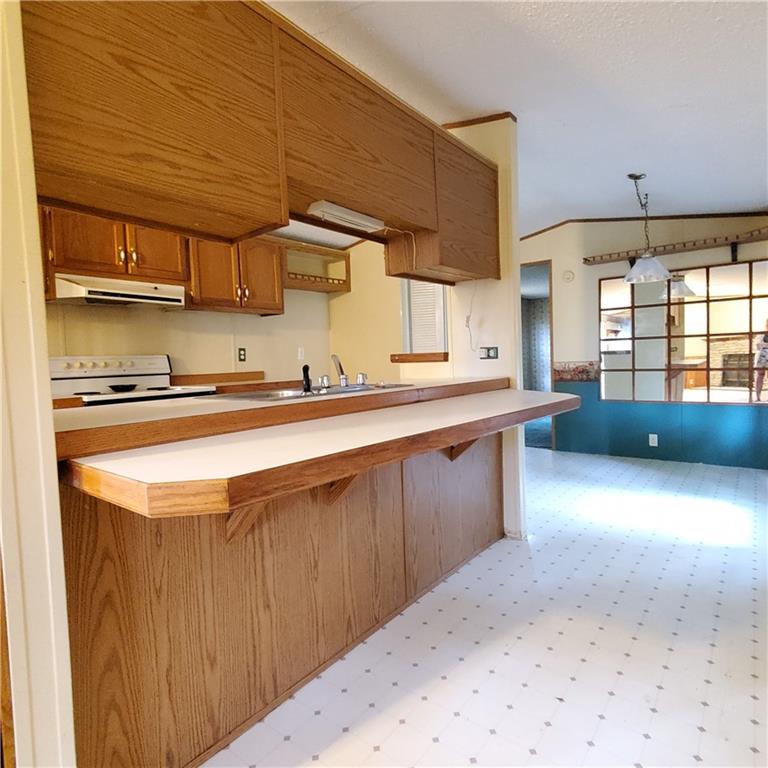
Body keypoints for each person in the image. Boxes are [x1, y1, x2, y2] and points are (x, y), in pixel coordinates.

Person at [755, 318, 768, 402]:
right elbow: (757, 345)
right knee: (760, 375)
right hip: (762, 356)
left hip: (763, 354)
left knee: (760, 376)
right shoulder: (761, 334)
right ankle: (757, 397)